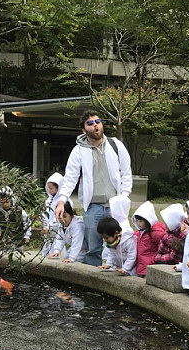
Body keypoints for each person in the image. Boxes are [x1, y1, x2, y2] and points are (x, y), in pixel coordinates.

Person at [53, 110, 133, 266]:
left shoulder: (115, 145)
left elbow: (126, 172)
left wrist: (124, 196)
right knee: (93, 248)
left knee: (120, 243)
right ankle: (93, 276)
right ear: (84, 129)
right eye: (90, 123)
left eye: (98, 122)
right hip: (92, 206)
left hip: (115, 204)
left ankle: (120, 272)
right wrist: (61, 201)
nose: (96, 125)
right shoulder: (79, 150)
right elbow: (70, 177)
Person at [97, 194, 136, 276]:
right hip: (120, 267)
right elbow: (112, 253)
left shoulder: (128, 238)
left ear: (116, 233)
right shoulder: (112, 240)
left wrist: (125, 268)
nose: (105, 240)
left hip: (131, 269)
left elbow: (132, 256)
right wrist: (109, 264)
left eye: (106, 237)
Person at [131, 201, 167, 277]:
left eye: (141, 221)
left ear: (148, 220)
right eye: (137, 221)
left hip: (150, 267)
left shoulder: (156, 233)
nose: (138, 223)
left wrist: (155, 260)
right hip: (141, 267)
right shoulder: (140, 233)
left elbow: (163, 248)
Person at [40, 172, 63, 257]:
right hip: (47, 231)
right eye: (49, 188)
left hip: (57, 231)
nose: (50, 190)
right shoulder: (48, 200)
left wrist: (50, 227)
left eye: (52, 188)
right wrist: (44, 225)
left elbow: (60, 218)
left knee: (56, 248)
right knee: (46, 249)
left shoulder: (62, 202)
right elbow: (45, 214)